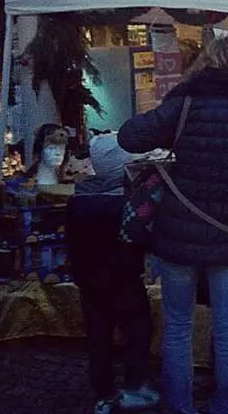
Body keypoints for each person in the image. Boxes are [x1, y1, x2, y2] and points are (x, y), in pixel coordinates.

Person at [118, 37, 228, 414]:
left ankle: (180, 406)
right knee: (227, 324)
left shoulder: (188, 101)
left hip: (179, 230)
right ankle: (227, 405)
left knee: (178, 324)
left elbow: (129, 137)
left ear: (207, 64)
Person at [66, 134, 158, 414]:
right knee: (137, 329)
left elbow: (71, 244)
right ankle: (134, 385)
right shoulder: (127, 203)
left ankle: (104, 392)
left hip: (89, 280)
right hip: (124, 279)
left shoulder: (78, 201)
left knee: (99, 335)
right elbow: (140, 239)